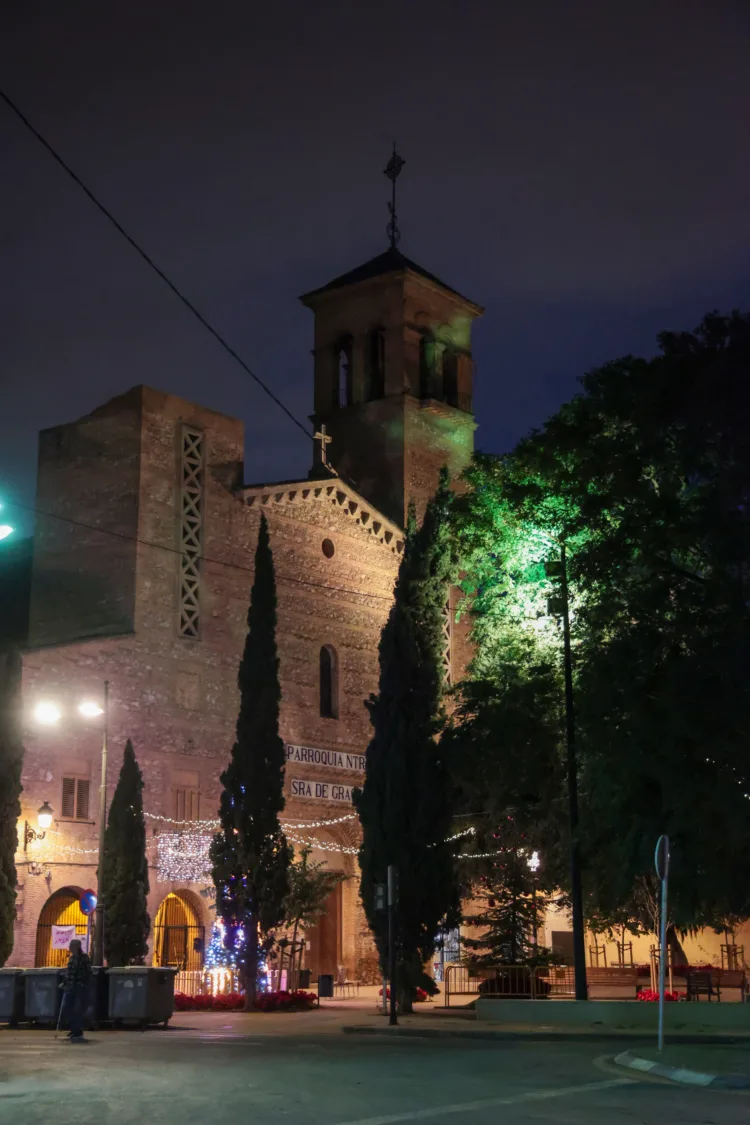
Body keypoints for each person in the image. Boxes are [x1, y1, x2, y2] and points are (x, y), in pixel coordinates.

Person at [60, 938, 91, 1042]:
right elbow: (69, 973)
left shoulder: (84, 958)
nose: (69, 947)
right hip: (70, 987)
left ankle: (77, 1032)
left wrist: (82, 982)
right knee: (67, 1008)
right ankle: (74, 1029)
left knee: (77, 1010)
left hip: (79, 988)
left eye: (71, 946)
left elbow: (88, 972)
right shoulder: (72, 958)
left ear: (76, 947)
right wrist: (64, 983)